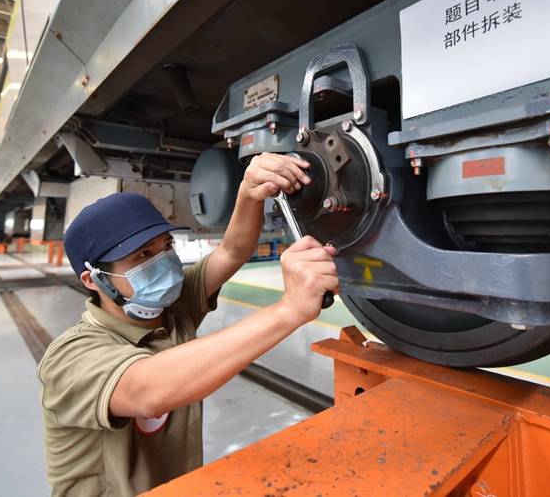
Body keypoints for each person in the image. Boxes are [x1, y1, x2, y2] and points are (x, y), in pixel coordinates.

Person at [37, 153, 339, 496]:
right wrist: (288, 311)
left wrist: (249, 191)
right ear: (93, 280)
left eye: (166, 247)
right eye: (142, 256)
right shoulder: (70, 357)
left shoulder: (171, 308)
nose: (163, 261)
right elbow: (146, 391)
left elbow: (231, 251)